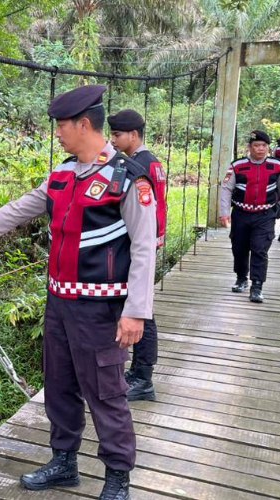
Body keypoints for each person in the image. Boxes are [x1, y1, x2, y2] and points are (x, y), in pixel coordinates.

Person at [0, 85, 156, 500]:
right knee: (59, 384)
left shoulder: (128, 179)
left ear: (83, 125)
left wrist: (136, 311)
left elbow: (144, 247)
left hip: (101, 308)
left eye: (61, 126)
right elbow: (18, 209)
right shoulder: (63, 175)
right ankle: (63, 462)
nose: (57, 133)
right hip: (59, 304)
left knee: (106, 392)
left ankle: (118, 477)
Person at [108, 109, 163, 403]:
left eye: (117, 135)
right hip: (145, 241)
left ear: (134, 134)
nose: (112, 140)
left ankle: (143, 377)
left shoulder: (137, 165)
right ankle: (137, 372)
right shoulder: (150, 161)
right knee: (139, 307)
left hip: (138, 245)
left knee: (142, 311)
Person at [219, 130, 280, 303]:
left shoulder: (276, 166)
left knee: (260, 249)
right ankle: (241, 279)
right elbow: (226, 189)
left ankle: (257, 286)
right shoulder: (237, 165)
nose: (260, 149)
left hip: (265, 214)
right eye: (256, 145)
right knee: (239, 248)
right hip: (241, 213)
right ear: (250, 147)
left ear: (268, 148)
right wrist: (224, 212)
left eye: (263, 146)